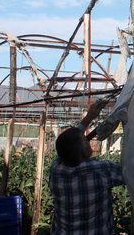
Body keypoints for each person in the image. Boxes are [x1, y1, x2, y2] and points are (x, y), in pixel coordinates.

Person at [49, 99, 124, 234]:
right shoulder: (101, 170)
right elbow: (129, 173)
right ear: (84, 151)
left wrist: (88, 118)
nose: (88, 138)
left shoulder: (56, 169)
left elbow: (70, 142)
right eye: (85, 140)